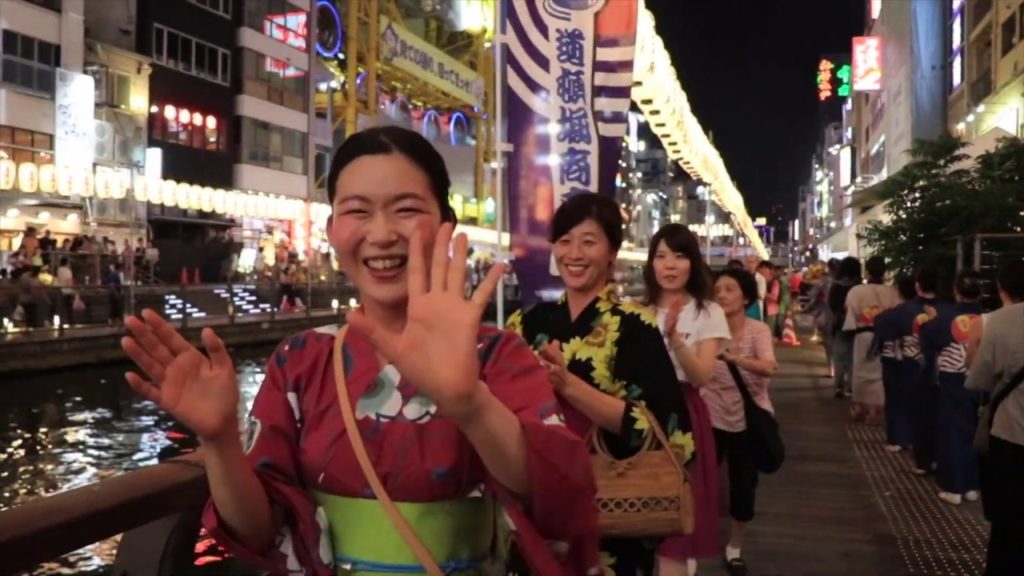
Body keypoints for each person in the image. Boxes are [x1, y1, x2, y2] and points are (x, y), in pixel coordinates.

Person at [120, 126, 601, 575]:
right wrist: (220, 438)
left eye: (407, 209)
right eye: (357, 211)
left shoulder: (499, 355)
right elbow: (257, 529)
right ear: (332, 231)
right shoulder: (300, 360)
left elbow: (559, 499)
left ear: (445, 227)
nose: (382, 233)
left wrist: (470, 404)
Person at [507, 193, 692, 575]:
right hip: (537, 509)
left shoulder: (634, 326)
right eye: (564, 241)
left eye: (589, 241)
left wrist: (567, 385)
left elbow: (669, 431)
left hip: (611, 513)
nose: (574, 253)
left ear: (612, 251)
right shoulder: (526, 323)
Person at [645, 224, 730, 576]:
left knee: (676, 526)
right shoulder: (636, 310)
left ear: (693, 263)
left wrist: (674, 340)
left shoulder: (708, 312)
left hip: (683, 414)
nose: (669, 265)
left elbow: (702, 376)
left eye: (679, 256)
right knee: (635, 512)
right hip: (639, 415)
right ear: (650, 264)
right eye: (661, 256)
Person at [706, 269, 777, 576]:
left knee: (742, 484)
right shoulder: (705, 331)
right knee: (700, 481)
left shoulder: (757, 330)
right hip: (709, 414)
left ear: (745, 296)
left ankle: (735, 546)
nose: (721, 295)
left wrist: (735, 359)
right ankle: (693, 543)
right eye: (717, 290)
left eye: (729, 289)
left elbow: (769, 367)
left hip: (747, 417)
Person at [966, 259, 1024, 575]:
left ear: (1001, 288)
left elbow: (978, 379)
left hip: (1010, 434)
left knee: (1007, 524)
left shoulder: (998, 322)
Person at [874, 263, 944, 475]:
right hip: (946, 369)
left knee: (906, 405)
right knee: (937, 413)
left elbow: (881, 324)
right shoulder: (948, 310)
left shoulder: (901, 312)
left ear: (917, 285)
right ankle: (937, 456)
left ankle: (906, 445)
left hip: (909, 364)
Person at [922, 269, 984, 506]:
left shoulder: (944, 318)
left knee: (951, 431)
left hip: (952, 379)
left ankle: (953, 486)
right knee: (974, 430)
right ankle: (971, 484)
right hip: (981, 379)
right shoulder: (990, 319)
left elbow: (928, 341)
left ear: (956, 290)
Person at [842, 256, 898, 422]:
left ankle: (859, 406)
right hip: (884, 336)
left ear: (866, 271)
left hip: (862, 334)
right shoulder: (892, 292)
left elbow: (848, 309)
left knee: (860, 370)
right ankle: (876, 409)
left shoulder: (856, 291)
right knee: (880, 372)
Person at [875, 274, 916, 452]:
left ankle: (897, 439)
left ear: (899, 292)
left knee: (894, 399)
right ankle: (914, 438)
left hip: (893, 359)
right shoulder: (925, 313)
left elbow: (880, 336)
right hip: (918, 360)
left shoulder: (888, 316)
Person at [828, 257, 861, 399]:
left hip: (840, 324)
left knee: (839, 356)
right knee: (853, 357)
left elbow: (832, 305)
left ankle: (838, 386)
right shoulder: (859, 287)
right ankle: (850, 387)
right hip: (857, 324)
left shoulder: (836, 286)